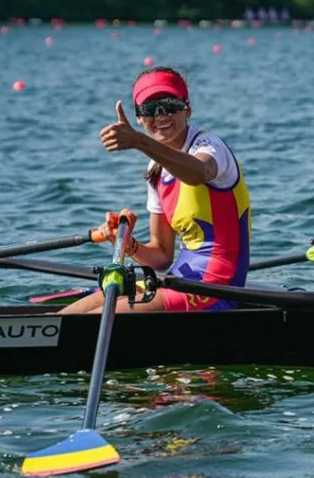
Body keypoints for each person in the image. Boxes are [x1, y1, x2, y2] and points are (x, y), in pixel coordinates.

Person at [61, 66, 251, 314]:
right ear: (139, 118)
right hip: (178, 279)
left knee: (89, 322)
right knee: (64, 318)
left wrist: (139, 141)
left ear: (188, 109)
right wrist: (129, 245)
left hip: (216, 289)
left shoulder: (209, 146)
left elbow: (198, 173)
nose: (161, 115)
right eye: (150, 109)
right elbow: (161, 256)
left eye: (170, 105)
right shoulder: (156, 169)